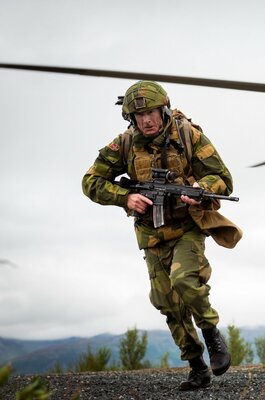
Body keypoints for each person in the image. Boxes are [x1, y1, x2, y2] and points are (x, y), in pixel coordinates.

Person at [82, 80, 236, 391]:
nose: (147, 120)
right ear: (130, 118)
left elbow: (222, 178)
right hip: (150, 235)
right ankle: (196, 365)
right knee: (167, 303)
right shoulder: (124, 144)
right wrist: (124, 198)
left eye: (151, 112)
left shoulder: (187, 135)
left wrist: (200, 191)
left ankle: (212, 335)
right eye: (139, 116)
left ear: (162, 109)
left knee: (184, 280)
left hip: (187, 229)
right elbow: (91, 181)